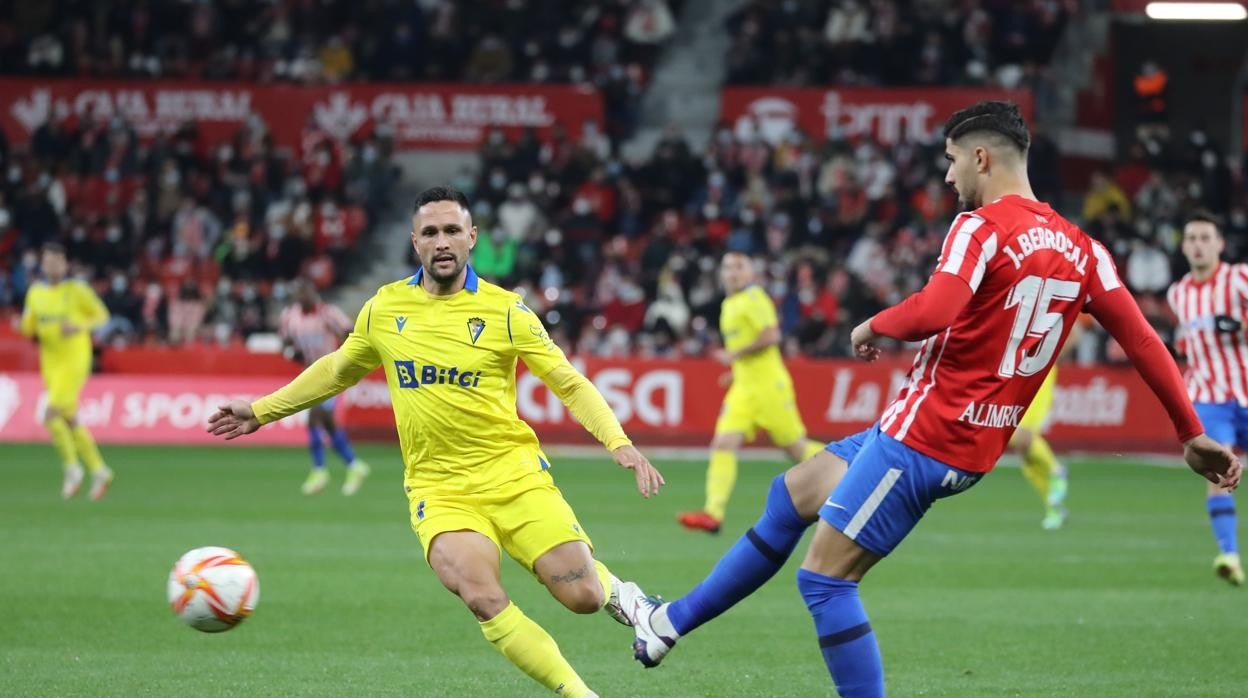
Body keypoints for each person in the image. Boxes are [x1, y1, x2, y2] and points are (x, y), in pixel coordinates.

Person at [627, 101, 1241, 696]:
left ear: (981, 158)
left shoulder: (979, 227)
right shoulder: (1084, 248)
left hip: (926, 438)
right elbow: (1140, 339)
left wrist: (873, 324)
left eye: (950, 161)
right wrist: (1189, 432)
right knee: (790, 495)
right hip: (962, 436)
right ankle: (668, 623)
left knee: (824, 582)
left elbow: (937, 308)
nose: (947, 176)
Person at [208, 186, 665, 698]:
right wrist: (262, 410)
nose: (442, 241)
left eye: (452, 231)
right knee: (482, 596)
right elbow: (337, 370)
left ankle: (626, 598)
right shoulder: (386, 308)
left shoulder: (506, 311)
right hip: (440, 489)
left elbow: (568, 382)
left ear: (472, 238)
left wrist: (617, 441)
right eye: (430, 232)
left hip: (515, 477)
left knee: (580, 595)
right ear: (414, 242)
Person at [678, 251, 824, 533]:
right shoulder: (729, 303)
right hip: (744, 388)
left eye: (739, 267)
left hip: (769, 386)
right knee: (722, 444)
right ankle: (713, 513)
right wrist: (734, 371)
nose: (732, 272)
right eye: (727, 267)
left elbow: (771, 335)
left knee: (796, 449)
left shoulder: (755, 297)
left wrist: (733, 355)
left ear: (750, 273)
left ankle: (853, 465)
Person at [1167, 212, 1246, 585]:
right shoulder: (1178, 292)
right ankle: (1229, 555)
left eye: (1205, 238)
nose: (1198, 244)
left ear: (1219, 244)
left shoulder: (1239, 278)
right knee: (1217, 472)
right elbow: (1187, 343)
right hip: (1208, 397)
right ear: (1183, 246)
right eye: (1192, 238)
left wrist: (1240, 326)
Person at [20, 243, 114, 500]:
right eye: (48, 261)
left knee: (50, 413)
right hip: (49, 360)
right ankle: (99, 469)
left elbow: (102, 316)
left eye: (57, 261)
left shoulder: (77, 290)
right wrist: (26, 326)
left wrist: (80, 325)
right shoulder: (35, 293)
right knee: (70, 418)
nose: (52, 265)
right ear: (43, 264)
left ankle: (72, 468)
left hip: (74, 359)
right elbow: (29, 327)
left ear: (65, 264)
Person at [278, 279, 371, 495]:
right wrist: (292, 352)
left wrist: (345, 358)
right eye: (299, 295)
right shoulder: (290, 317)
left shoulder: (329, 313)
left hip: (333, 373)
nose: (302, 298)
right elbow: (285, 342)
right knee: (327, 424)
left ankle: (319, 471)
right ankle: (354, 465)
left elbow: (350, 333)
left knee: (314, 417)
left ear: (314, 293)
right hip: (310, 374)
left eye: (306, 294)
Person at [1007, 319, 1082, 530]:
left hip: (1039, 373)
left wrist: (1049, 355)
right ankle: (1053, 506)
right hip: (1013, 375)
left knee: (1022, 436)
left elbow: (1075, 333)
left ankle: (1055, 469)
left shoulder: (1047, 299)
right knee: (1021, 448)